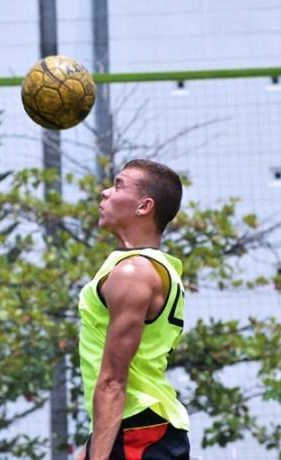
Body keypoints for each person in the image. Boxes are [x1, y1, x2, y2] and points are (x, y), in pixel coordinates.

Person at [78, 159, 190, 460]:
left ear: (144, 206)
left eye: (118, 185)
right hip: (143, 429)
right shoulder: (150, 267)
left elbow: (114, 380)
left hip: (137, 432)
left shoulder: (133, 273)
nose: (105, 193)